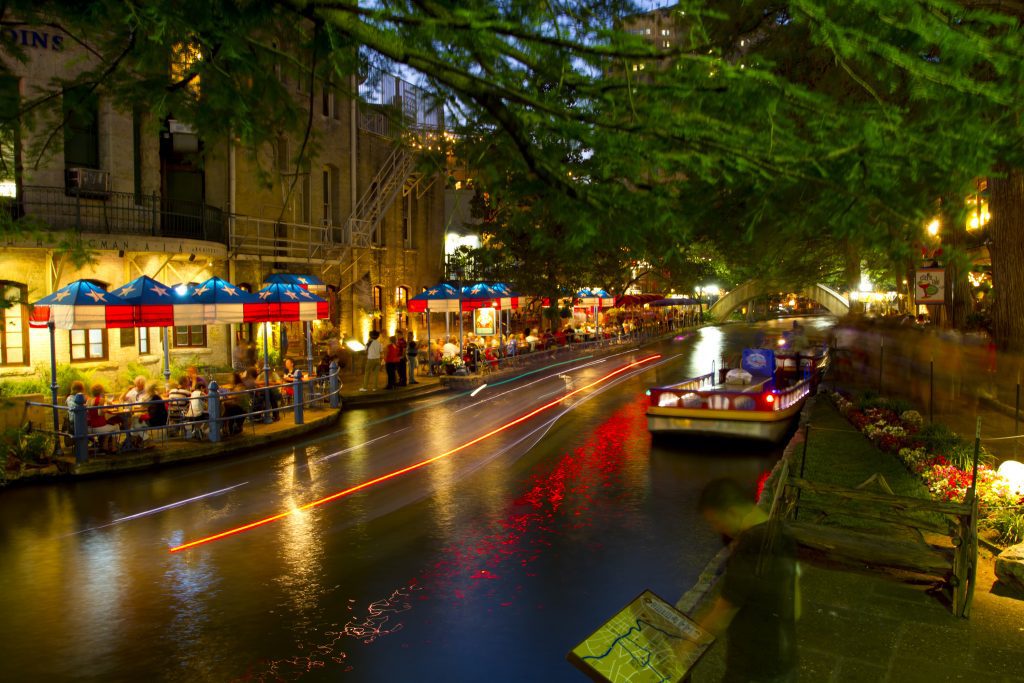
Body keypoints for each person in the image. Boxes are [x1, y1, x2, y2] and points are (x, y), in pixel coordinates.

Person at [691, 478, 800, 683]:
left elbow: (722, 613)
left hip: (753, 669)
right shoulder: (781, 531)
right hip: (784, 659)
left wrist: (683, 647)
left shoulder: (748, 549)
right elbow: (796, 605)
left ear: (732, 512)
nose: (716, 529)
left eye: (716, 521)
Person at [86, 383, 121, 453]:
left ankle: (105, 446)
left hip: (90, 427)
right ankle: (114, 447)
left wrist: (106, 406)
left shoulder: (89, 400)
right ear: (101, 391)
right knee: (116, 427)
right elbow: (100, 413)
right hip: (98, 427)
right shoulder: (100, 400)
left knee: (110, 426)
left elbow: (93, 411)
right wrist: (106, 410)